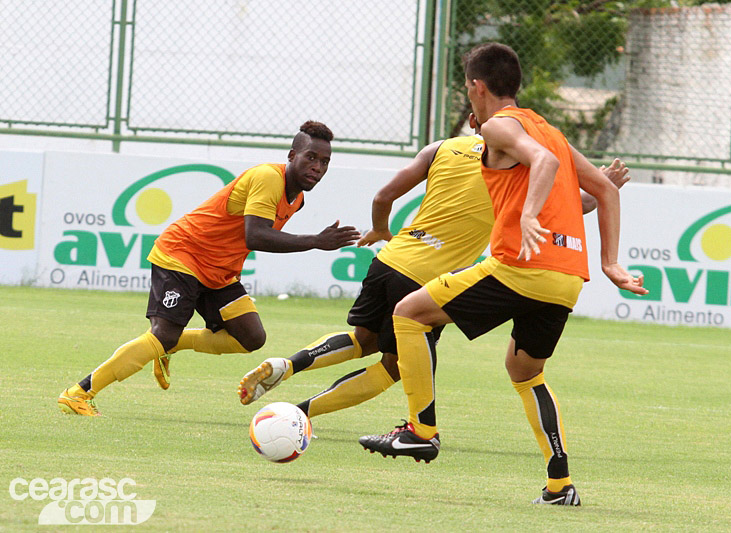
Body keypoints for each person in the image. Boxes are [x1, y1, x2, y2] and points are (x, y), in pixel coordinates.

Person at [358, 43, 647, 507]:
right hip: (566, 278)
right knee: (525, 371)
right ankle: (559, 486)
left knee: (409, 314)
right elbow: (605, 191)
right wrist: (609, 262)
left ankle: (420, 431)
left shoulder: (498, 126)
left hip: (520, 266)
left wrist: (529, 215)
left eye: (466, 87)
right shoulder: (549, 129)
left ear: (477, 86)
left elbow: (545, 164)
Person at [237, 114, 630, 424]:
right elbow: (569, 207)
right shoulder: (509, 168)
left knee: (363, 338)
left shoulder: (440, 148)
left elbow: (383, 195)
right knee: (392, 368)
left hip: (391, 260)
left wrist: (381, 229)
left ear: (472, 121)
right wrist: (602, 186)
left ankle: (288, 364)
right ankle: (298, 414)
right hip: (426, 282)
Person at [57, 121, 361, 416]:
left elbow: (242, 237)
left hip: (218, 272)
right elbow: (255, 235)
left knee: (251, 337)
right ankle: (79, 393)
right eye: (311, 157)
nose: (317, 167)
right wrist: (316, 241)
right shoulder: (268, 178)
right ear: (292, 155)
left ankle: (170, 346)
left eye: (324, 162)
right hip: (183, 255)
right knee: (163, 334)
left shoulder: (298, 199)